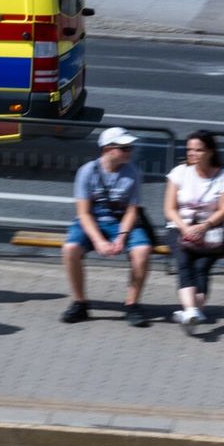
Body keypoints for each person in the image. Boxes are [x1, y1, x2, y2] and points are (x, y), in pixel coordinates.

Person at [61, 126, 152, 327]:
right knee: (70, 249)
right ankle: (79, 302)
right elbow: (83, 213)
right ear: (108, 149)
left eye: (130, 147)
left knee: (143, 250)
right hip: (93, 220)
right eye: (124, 148)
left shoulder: (132, 172)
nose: (130, 151)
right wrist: (99, 240)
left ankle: (132, 303)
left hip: (121, 221)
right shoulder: (87, 171)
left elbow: (132, 210)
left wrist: (121, 236)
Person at [163, 129, 224, 335]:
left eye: (198, 150)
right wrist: (185, 229)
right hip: (179, 227)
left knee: (202, 266)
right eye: (189, 150)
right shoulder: (179, 172)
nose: (192, 154)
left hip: (213, 230)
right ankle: (193, 311)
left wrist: (204, 226)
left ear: (210, 152)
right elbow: (169, 208)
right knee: (184, 261)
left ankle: (190, 313)